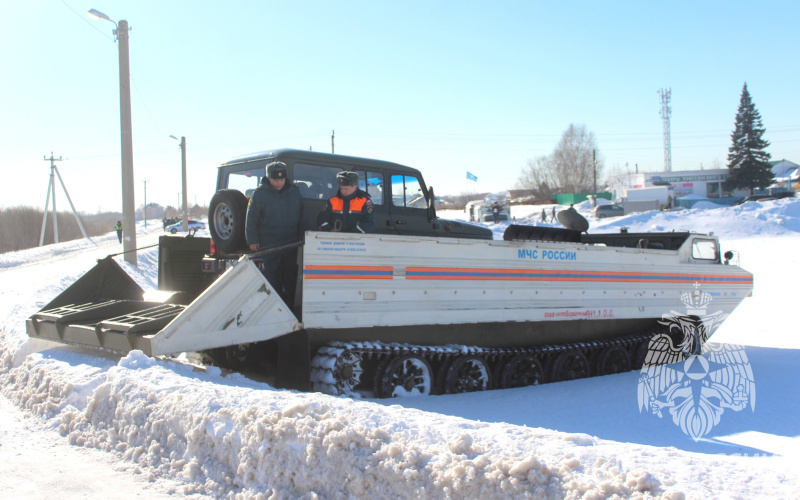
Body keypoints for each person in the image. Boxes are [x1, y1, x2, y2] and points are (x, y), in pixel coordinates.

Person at [245, 161, 305, 305]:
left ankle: (290, 308)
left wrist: (303, 236)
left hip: (291, 243)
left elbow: (302, 216)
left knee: (291, 277)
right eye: (275, 180)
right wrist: (252, 240)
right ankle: (273, 307)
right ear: (268, 178)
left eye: (281, 180)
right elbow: (251, 219)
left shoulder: (294, 192)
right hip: (269, 244)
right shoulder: (259, 195)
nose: (279, 183)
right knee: (273, 278)